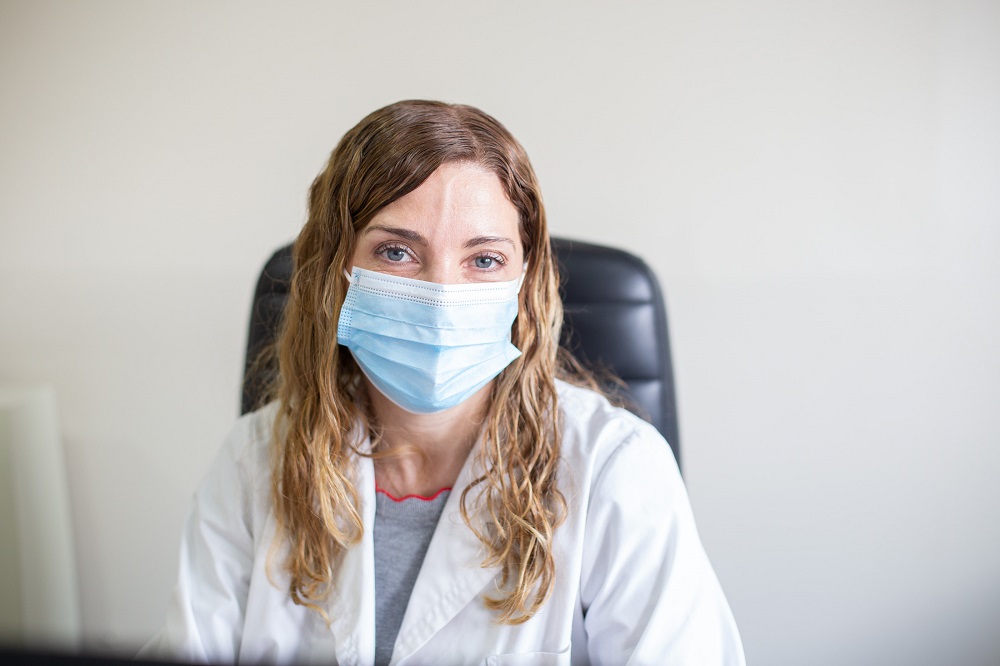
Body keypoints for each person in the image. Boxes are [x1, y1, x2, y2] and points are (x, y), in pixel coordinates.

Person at [143, 100, 745, 665]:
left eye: (483, 260)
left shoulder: (616, 469)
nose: (441, 296)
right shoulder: (253, 462)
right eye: (396, 252)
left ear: (525, 281)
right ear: (336, 268)